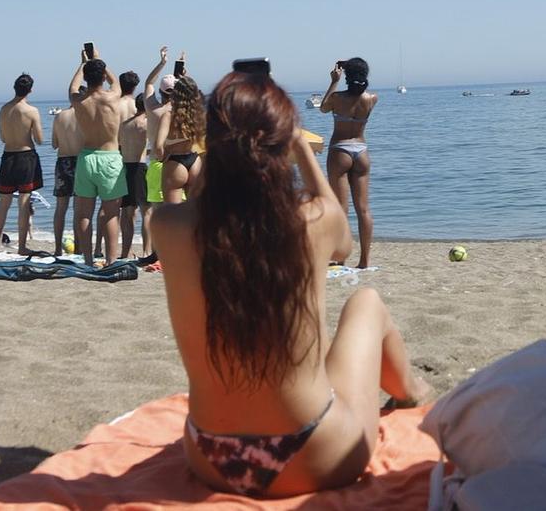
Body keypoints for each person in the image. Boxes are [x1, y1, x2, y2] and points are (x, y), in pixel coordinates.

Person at [152, 69, 430, 497]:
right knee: (366, 303)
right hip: (314, 453)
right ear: (282, 143)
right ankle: (411, 395)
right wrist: (302, 148)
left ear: (215, 145)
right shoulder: (312, 221)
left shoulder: (168, 226)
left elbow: (209, 201)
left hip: (210, 455)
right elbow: (343, 244)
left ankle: (409, 394)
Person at [71, 54, 129, 265]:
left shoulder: (78, 100)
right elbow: (115, 81)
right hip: (110, 158)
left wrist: (82, 63)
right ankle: (111, 260)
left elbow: (73, 87)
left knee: (84, 213)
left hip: (87, 158)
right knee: (112, 214)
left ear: (86, 77)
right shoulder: (113, 96)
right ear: (102, 77)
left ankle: (87, 259)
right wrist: (100, 60)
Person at [320, 57, 377, 270]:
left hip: (340, 150)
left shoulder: (337, 98)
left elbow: (323, 108)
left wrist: (334, 80)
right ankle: (364, 261)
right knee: (363, 209)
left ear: (347, 76)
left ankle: (342, 257)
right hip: (361, 151)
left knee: (341, 209)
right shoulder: (372, 99)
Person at [0, 71, 45, 255]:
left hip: (7, 157)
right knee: (24, 202)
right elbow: (39, 139)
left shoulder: (3, 109)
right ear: (30, 90)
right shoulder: (31, 111)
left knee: (3, 204)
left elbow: (3, 137)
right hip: (25, 156)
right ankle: (21, 246)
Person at [117, 71, 151, 260]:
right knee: (147, 211)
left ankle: (125, 252)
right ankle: (146, 251)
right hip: (139, 167)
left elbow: (120, 144)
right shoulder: (144, 124)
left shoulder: (124, 124)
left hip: (125, 166)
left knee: (127, 212)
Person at [161, 76, 206, 205]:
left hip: (175, 161)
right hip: (194, 161)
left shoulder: (169, 115)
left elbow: (158, 145)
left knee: (172, 213)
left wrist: (162, 157)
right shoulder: (198, 115)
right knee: (194, 212)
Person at [49, 83, 82, 256]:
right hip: (79, 162)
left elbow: (54, 144)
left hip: (62, 161)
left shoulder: (59, 116)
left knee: (60, 208)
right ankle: (78, 247)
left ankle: (56, 249)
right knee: (79, 208)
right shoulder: (84, 116)